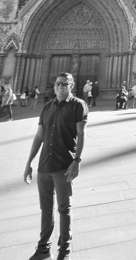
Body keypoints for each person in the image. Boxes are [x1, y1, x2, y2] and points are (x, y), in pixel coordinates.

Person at [24, 72, 88, 260]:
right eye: (57, 84)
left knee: (63, 208)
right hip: (44, 165)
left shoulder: (78, 105)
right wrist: (29, 163)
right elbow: (39, 136)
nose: (60, 87)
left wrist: (77, 161)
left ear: (71, 85)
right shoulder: (47, 107)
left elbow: (82, 134)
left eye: (64, 84)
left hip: (63, 164)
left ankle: (64, 251)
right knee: (45, 209)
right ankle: (43, 249)